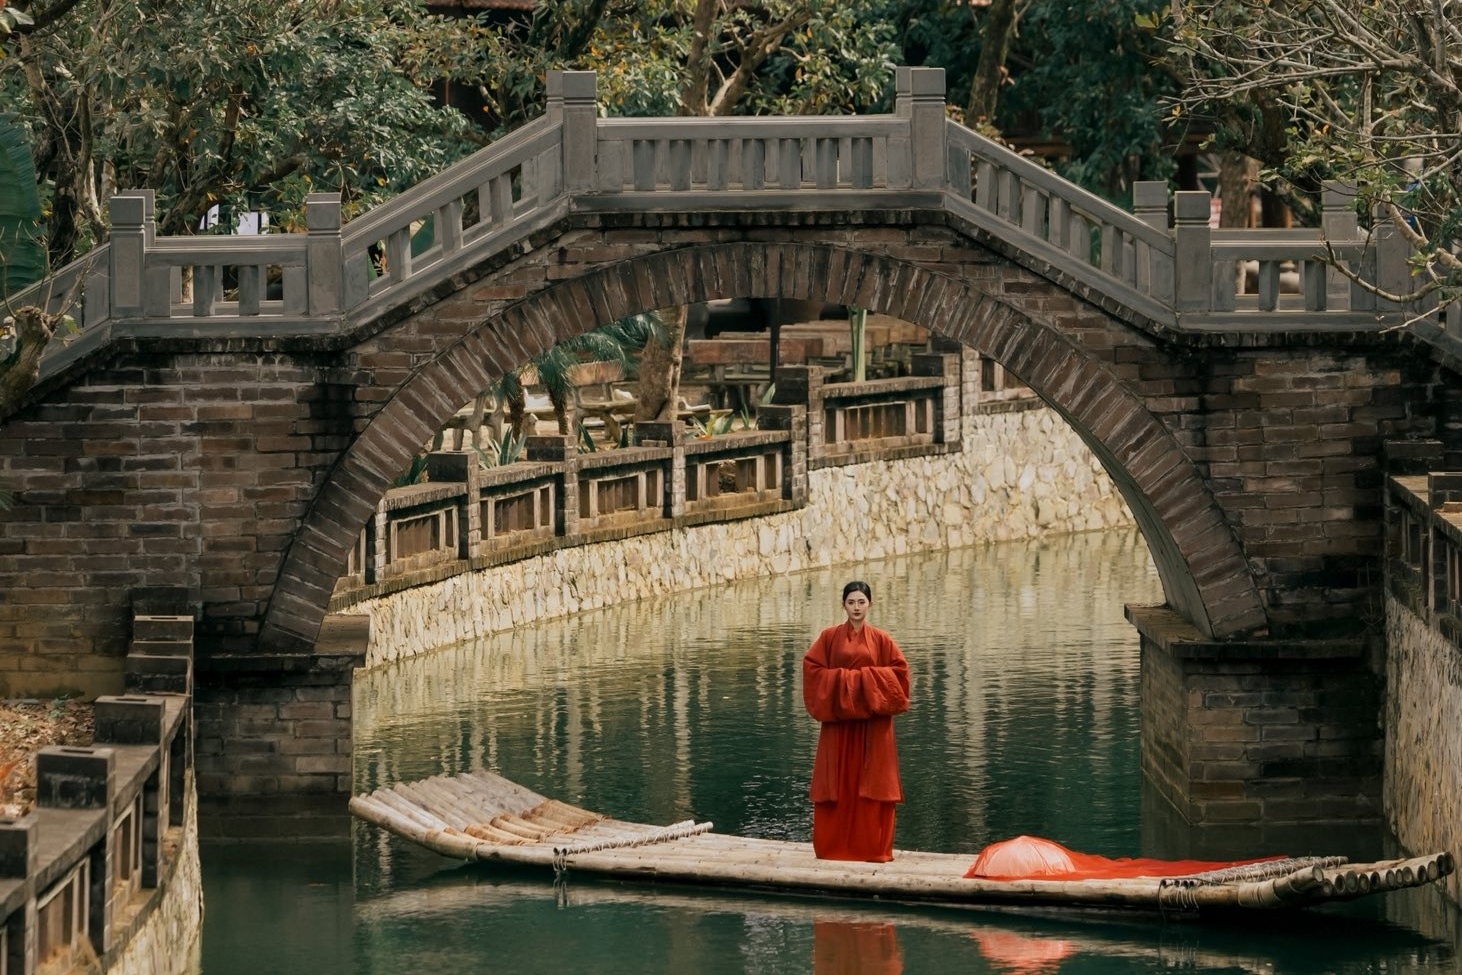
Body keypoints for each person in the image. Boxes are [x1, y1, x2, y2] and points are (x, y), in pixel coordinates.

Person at [802, 580, 911, 862]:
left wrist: (862, 682)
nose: (856, 608)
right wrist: (853, 683)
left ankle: (871, 848)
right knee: (837, 781)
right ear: (843, 605)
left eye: (861, 602)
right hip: (839, 724)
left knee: (872, 781)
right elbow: (812, 670)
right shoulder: (828, 637)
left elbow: (900, 675)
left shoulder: (883, 640)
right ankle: (833, 847)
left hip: (872, 727)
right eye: (851, 602)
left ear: (870, 604)